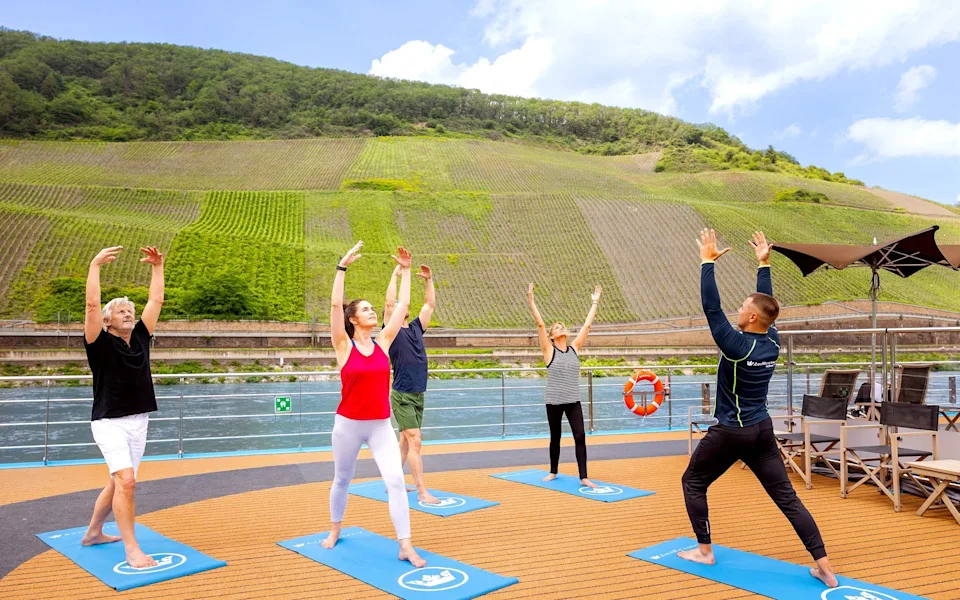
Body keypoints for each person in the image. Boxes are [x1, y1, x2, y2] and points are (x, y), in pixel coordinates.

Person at [679, 230, 838, 589]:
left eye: (743, 308)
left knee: (693, 481)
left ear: (751, 318)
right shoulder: (771, 339)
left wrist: (707, 262)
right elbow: (769, 306)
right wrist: (763, 263)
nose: (738, 310)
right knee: (788, 498)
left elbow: (711, 308)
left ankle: (705, 550)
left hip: (731, 432)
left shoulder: (736, 345)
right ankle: (825, 568)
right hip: (761, 431)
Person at [322, 240, 426, 568]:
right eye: (365, 309)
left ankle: (405, 545)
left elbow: (403, 304)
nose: (371, 312)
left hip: (380, 424)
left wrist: (407, 272)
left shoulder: (383, 342)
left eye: (371, 308)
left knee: (395, 481)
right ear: (353, 320)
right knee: (343, 478)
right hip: (348, 425)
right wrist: (342, 268)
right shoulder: (343, 345)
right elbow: (336, 306)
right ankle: (335, 528)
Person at [80, 246, 165, 569]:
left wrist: (158, 267)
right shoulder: (98, 342)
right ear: (107, 321)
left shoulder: (141, 337)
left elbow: (155, 301)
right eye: (121, 312)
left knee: (119, 482)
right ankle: (132, 550)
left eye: (130, 310)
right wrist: (95, 266)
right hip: (109, 421)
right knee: (127, 482)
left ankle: (93, 532)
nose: (129, 314)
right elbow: (90, 305)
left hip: (138, 420)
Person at [527, 282, 602, 488]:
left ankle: (584, 477)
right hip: (553, 401)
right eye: (557, 327)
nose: (562, 328)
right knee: (556, 436)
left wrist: (594, 302)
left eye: (563, 326)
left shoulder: (574, 348)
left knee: (580, 435)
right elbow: (541, 325)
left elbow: (587, 326)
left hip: (572, 400)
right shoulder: (549, 351)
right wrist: (531, 301)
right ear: (552, 336)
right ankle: (553, 471)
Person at [383, 263, 437, 504]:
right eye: (397, 306)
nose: (398, 307)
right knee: (415, 440)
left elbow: (429, 305)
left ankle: (391, 482)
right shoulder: (391, 331)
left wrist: (428, 280)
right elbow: (387, 305)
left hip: (418, 393)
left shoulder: (415, 327)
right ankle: (422, 491)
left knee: (405, 441)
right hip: (402, 394)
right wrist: (395, 275)